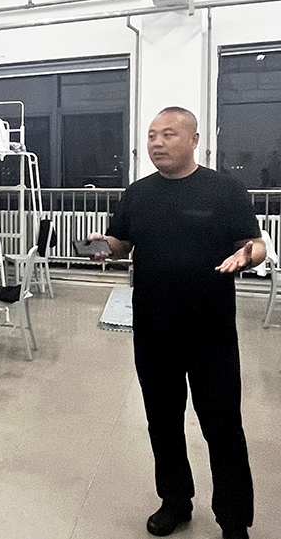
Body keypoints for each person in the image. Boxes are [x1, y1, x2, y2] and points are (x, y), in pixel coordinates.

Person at [88, 107, 265, 539]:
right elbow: (123, 241)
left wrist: (249, 256)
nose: (157, 143)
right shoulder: (138, 193)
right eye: (151, 135)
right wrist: (105, 245)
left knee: (223, 427)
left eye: (168, 134)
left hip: (211, 334)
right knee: (163, 422)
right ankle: (175, 501)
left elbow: (254, 245)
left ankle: (233, 520)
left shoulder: (224, 190)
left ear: (193, 140)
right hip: (153, 332)